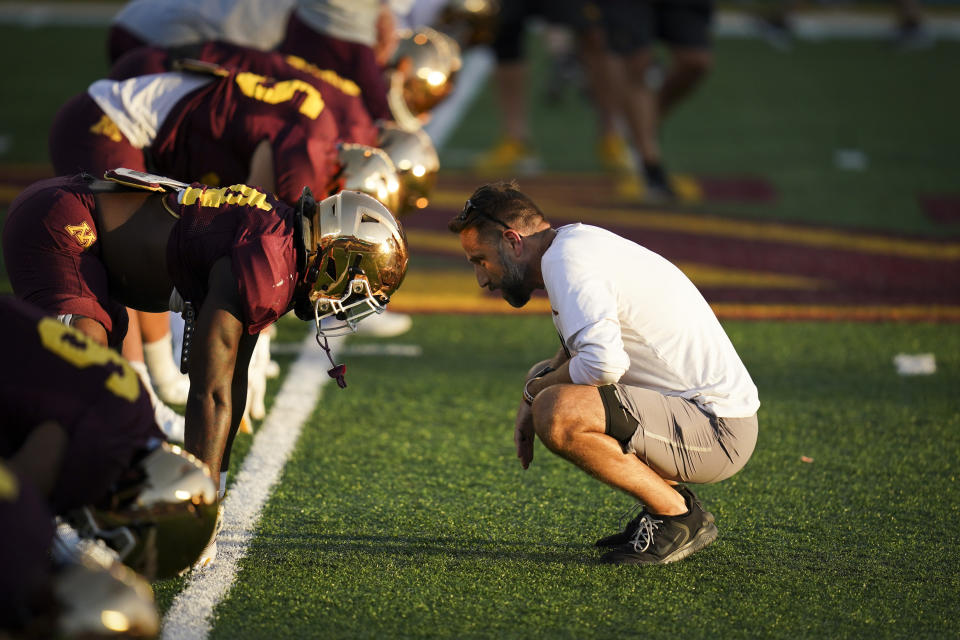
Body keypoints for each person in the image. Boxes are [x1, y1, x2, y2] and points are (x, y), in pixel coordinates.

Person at [3, 171, 409, 563]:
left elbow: (233, 382)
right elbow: (209, 388)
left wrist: (215, 489)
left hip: (86, 226)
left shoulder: (282, 247)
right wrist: (202, 509)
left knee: (104, 393)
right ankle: (39, 525)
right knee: (79, 387)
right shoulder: (269, 257)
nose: (353, 302)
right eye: (360, 284)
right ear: (335, 258)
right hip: (64, 226)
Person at [447, 181, 759, 565]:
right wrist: (538, 381)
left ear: (513, 241)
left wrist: (534, 394)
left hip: (717, 430)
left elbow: (603, 363)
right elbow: (576, 354)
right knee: (548, 374)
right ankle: (672, 504)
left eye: (481, 260)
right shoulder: (573, 244)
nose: (482, 279)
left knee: (557, 410)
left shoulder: (567, 261)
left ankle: (676, 517)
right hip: (697, 414)